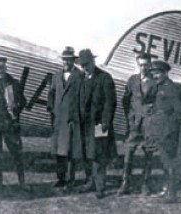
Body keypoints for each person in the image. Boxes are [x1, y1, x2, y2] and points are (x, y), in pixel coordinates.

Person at [78, 49, 117, 199]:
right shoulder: (81, 78)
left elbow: (110, 102)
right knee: (87, 154)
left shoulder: (105, 78)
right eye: (82, 65)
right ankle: (90, 182)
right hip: (84, 125)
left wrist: (106, 122)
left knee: (99, 155)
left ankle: (100, 186)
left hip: (99, 124)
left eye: (87, 64)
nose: (85, 67)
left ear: (93, 62)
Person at [117, 52, 157, 196]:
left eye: (146, 65)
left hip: (149, 124)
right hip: (134, 124)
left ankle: (145, 184)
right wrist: (130, 117)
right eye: (141, 65)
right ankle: (125, 183)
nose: (143, 68)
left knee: (149, 154)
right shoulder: (132, 80)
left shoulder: (155, 81)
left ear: (150, 65)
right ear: (137, 65)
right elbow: (125, 100)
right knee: (129, 153)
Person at [0, 57, 26, 190]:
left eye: (1, 67)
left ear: (5, 67)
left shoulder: (14, 83)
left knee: (16, 153)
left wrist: (16, 109)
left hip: (10, 123)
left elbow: (23, 101)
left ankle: (22, 182)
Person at [144, 60, 181, 203]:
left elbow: (179, 111)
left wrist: (170, 129)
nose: (155, 75)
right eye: (153, 73)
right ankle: (167, 189)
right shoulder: (158, 86)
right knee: (164, 162)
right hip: (158, 131)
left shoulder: (170, 88)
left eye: (158, 72)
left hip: (167, 132)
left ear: (165, 73)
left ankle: (172, 194)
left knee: (170, 162)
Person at [47, 47, 84, 191]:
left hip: (71, 120)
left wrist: (77, 116)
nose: (66, 62)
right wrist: (51, 110)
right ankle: (60, 178)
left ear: (73, 61)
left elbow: (82, 97)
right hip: (58, 119)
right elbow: (51, 94)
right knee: (58, 152)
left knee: (70, 152)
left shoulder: (79, 75)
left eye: (69, 59)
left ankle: (71, 178)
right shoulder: (56, 76)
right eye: (64, 59)